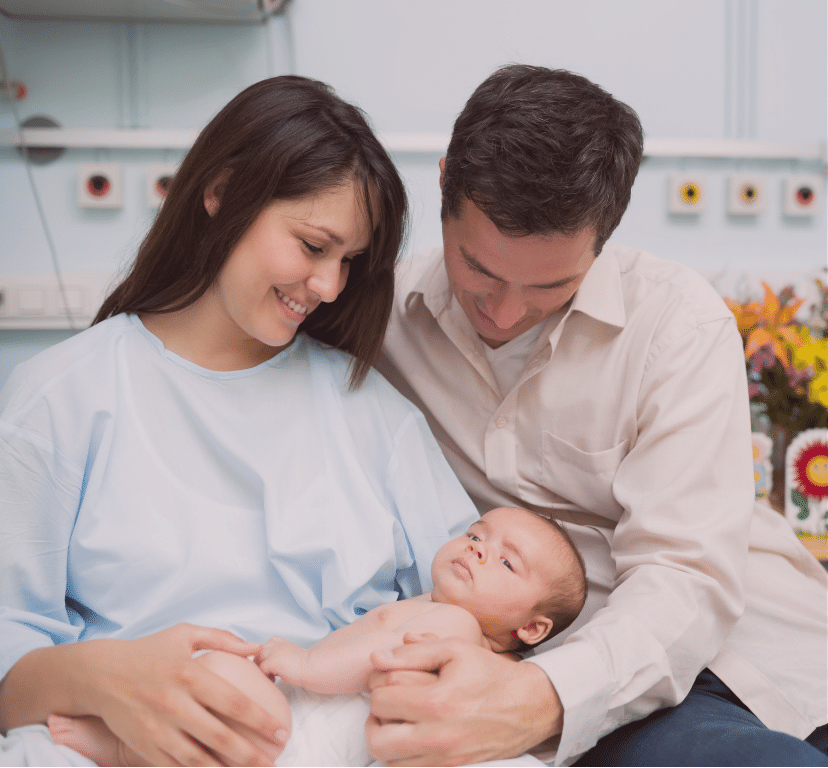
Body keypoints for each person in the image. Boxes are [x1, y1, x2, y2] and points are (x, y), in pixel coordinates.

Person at [0, 75, 480, 767]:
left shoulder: (372, 413)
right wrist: (107, 679)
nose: (329, 286)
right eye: (314, 246)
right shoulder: (62, 398)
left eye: (350, 262)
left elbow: (470, 603)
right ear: (221, 191)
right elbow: (9, 656)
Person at [373, 65, 828, 766]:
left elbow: (683, 576)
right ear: (442, 184)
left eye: (549, 285)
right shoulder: (382, 317)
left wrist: (536, 698)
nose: (502, 311)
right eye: (479, 269)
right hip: (551, 660)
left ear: (604, 236)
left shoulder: (677, 324)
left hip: (736, 653)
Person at [45, 506, 588, 766]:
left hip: (305, 738)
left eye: (505, 562)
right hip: (308, 728)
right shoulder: (433, 608)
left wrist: (304, 666)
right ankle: (124, 747)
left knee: (222, 679)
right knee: (213, 695)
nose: (476, 549)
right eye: (476, 534)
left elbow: (382, 664)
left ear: (532, 628)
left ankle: (119, 748)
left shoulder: (456, 629)